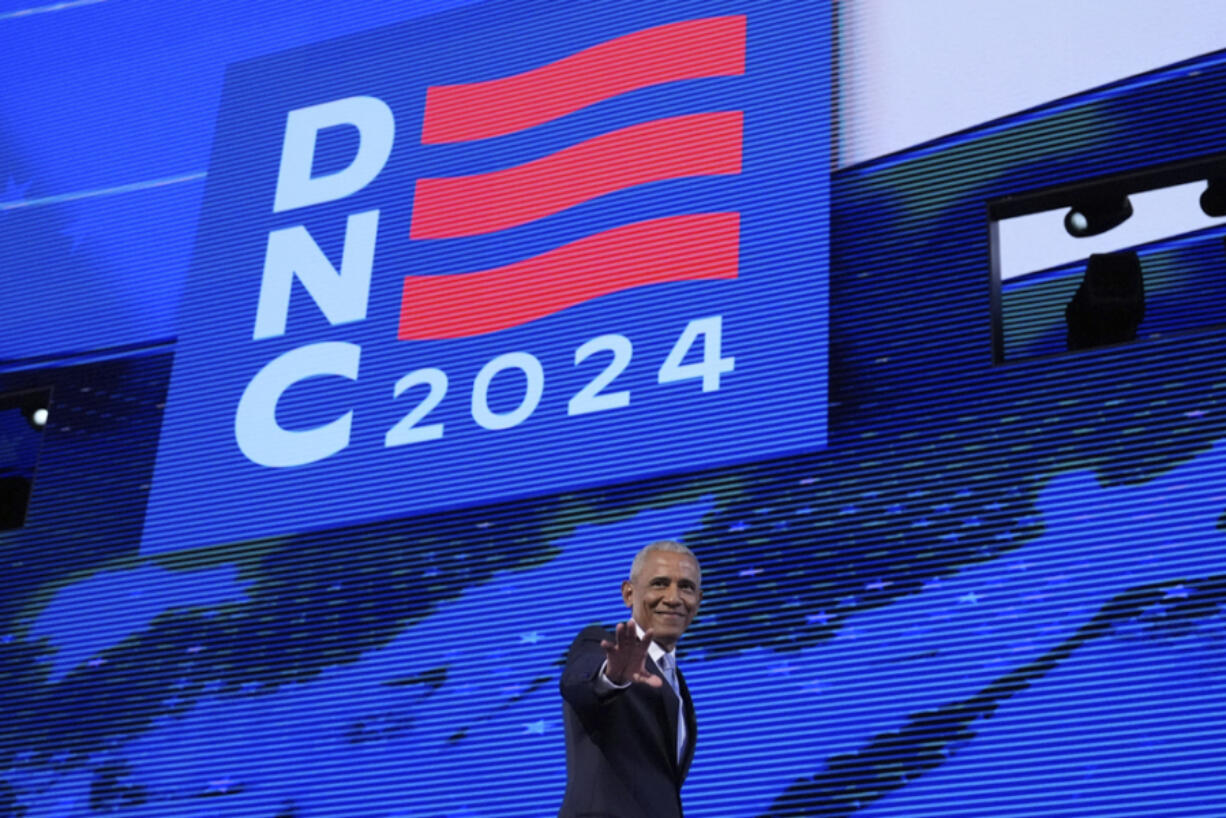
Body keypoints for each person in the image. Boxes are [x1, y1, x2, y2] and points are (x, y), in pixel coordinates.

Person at [558, 540, 703, 818]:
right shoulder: (598, 643)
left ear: (698, 600)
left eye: (686, 587)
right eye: (660, 583)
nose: (673, 598)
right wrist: (611, 678)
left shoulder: (675, 681)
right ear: (628, 593)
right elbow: (577, 682)